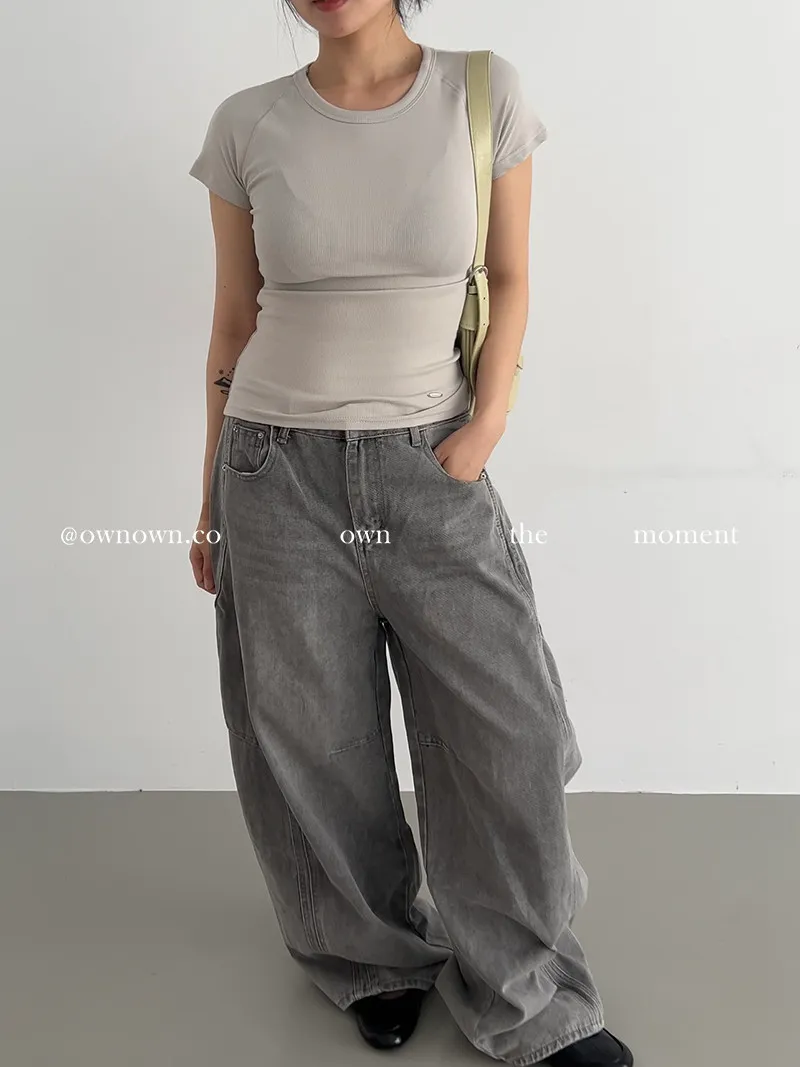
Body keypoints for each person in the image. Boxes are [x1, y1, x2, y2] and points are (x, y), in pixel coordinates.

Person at [188, 1, 633, 1064]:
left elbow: (510, 276)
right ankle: (371, 957)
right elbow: (234, 320)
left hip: (431, 462)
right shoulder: (247, 122)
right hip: (273, 469)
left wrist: (486, 424)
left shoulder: (480, 91)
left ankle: (527, 995)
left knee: (506, 733)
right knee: (313, 738)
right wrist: (208, 497)